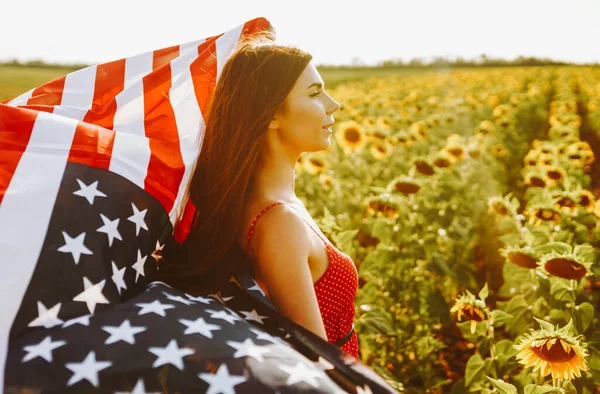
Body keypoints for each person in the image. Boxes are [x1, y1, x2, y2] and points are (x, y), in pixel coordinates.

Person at [151, 31, 360, 358]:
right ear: (272, 114)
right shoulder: (279, 222)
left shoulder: (272, 204)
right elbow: (318, 360)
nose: (333, 105)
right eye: (315, 93)